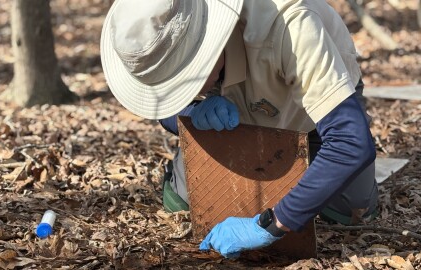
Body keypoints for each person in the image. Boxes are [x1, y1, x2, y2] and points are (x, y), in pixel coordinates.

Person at [100, 0, 379, 259]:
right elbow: (162, 110)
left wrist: (271, 225)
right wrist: (191, 112)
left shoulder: (292, 25)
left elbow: (349, 142)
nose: (176, 93)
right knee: (185, 199)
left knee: (351, 211)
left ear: (207, 50)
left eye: (180, 82)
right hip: (236, 105)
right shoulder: (156, 25)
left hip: (311, 116)